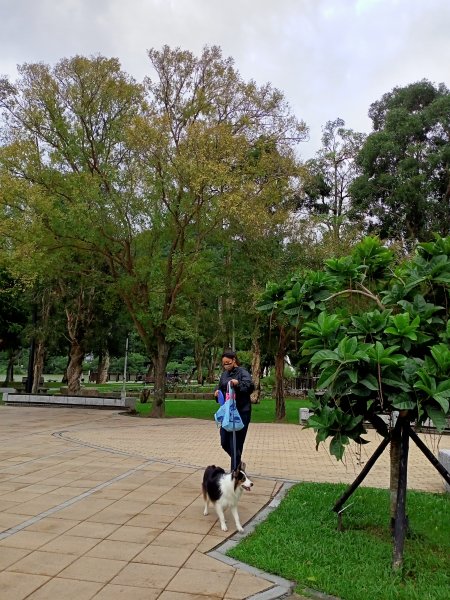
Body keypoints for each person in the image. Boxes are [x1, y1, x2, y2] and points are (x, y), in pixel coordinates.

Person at [214, 351, 254, 470]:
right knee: (225, 441)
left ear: (234, 360)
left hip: (241, 412)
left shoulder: (243, 372)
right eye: (224, 364)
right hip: (228, 413)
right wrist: (216, 392)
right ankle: (239, 464)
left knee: (236, 442)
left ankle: (235, 472)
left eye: (228, 363)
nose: (226, 365)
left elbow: (249, 386)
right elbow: (220, 386)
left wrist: (238, 383)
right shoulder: (224, 374)